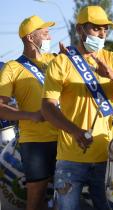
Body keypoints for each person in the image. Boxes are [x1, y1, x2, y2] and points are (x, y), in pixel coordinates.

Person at [41, 6, 113, 210]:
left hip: (106, 156)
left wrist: (112, 75)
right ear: (80, 30)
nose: (102, 34)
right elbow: (47, 106)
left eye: (105, 29)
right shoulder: (61, 62)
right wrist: (75, 131)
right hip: (70, 157)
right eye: (96, 29)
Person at [0, 15, 58, 210]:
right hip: (36, 142)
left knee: (67, 193)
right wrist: (30, 115)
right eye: (45, 33)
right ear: (31, 38)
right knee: (37, 196)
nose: (50, 37)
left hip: (66, 138)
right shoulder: (12, 68)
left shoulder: (56, 60)